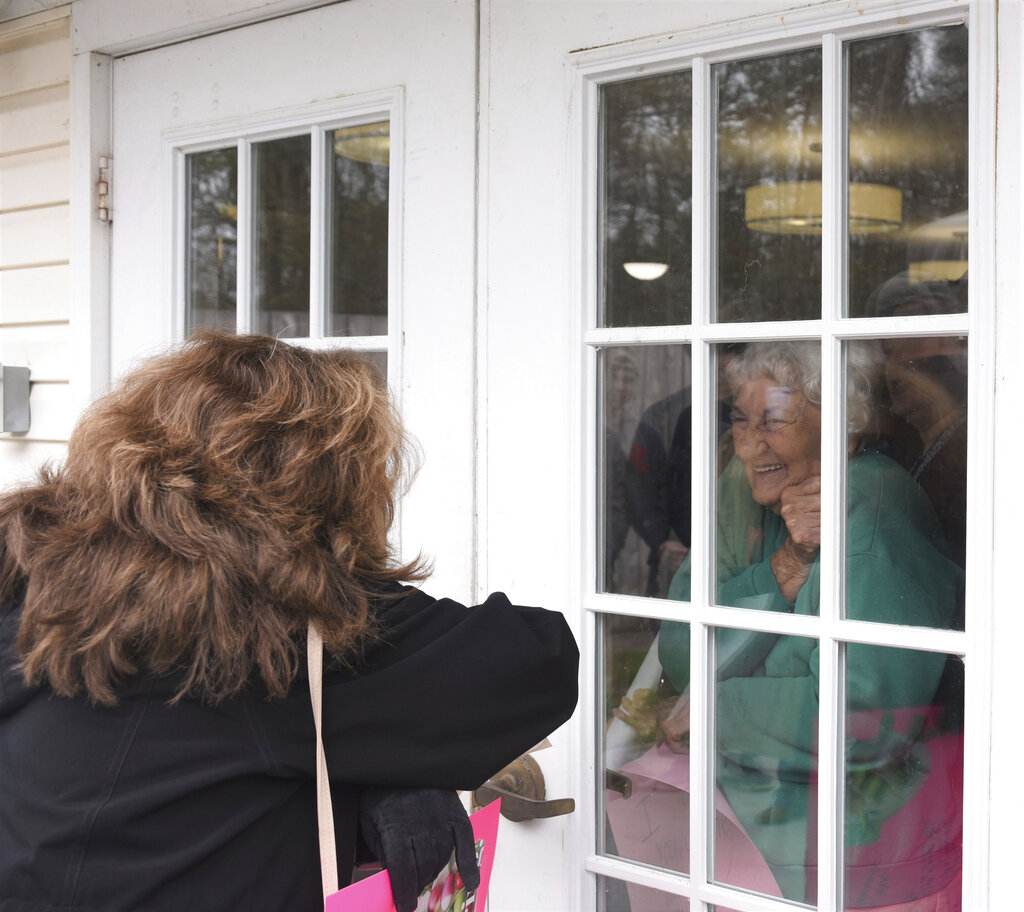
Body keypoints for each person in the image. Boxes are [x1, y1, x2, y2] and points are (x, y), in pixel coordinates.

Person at [0, 330, 579, 912]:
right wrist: (331, 573)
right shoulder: (270, 629)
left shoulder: (35, 580)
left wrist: (378, 770)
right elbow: (540, 660)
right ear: (326, 487)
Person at [611, 341, 963, 909]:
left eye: (773, 421)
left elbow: (854, 717)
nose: (748, 444)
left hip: (851, 859)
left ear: (845, 427)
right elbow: (682, 647)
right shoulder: (747, 495)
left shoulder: (869, 511)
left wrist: (714, 708)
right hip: (754, 837)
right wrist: (782, 575)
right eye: (739, 419)